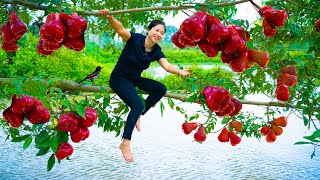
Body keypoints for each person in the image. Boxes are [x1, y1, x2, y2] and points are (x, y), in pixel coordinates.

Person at [99, 9, 192, 162]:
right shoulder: (134, 39)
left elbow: (167, 66)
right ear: (149, 30)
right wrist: (109, 16)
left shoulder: (156, 51)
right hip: (119, 78)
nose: (159, 34)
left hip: (134, 79)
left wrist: (179, 71)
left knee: (160, 89)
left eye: (162, 33)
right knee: (136, 104)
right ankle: (126, 142)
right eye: (156, 30)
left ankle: (139, 114)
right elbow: (119, 28)